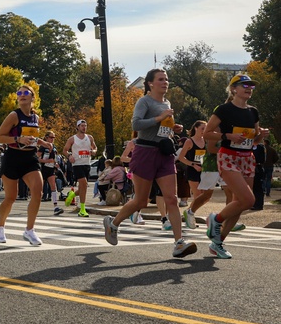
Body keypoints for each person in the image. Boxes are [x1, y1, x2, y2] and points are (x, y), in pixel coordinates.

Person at [103, 69, 197, 258]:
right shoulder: (144, 101)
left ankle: (179, 243)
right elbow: (136, 125)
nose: (165, 82)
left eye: (167, 79)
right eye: (161, 79)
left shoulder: (167, 103)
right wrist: (159, 118)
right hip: (145, 152)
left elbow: (162, 128)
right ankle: (113, 224)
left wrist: (173, 127)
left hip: (164, 154)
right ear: (150, 83)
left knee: (171, 198)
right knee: (141, 200)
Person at [202, 74, 270, 259]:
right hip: (228, 156)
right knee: (248, 200)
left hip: (247, 158)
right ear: (233, 89)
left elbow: (254, 139)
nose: (248, 88)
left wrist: (261, 135)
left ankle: (218, 243)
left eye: (251, 86)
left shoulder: (253, 111)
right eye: (244, 85)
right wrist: (227, 136)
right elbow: (207, 134)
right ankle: (215, 219)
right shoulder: (223, 109)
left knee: (239, 204)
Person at [0, 85, 46, 245]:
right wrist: (17, 139)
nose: (22, 95)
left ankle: (29, 230)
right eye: (19, 93)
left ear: (32, 97)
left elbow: (31, 137)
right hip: (13, 157)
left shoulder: (35, 118)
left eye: (26, 93)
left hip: (30, 157)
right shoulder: (14, 116)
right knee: (11, 197)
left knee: (38, 192)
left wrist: (42, 142)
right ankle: (0, 227)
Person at [178, 120, 210, 229]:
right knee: (198, 195)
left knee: (206, 197)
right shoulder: (189, 141)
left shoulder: (206, 140)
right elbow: (181, 157)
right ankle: (190, 216)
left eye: (205, 129)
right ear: (196, 128)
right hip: (192, 170)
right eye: (202, 129)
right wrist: (193, 165)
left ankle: (188, 212)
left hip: (204, 170)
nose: (204, 131)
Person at [62, 119, 96, 217]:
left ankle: (72, 194)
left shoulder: (89, 137)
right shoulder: (72, 139)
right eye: (82, 126)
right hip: (77, 164)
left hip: (87, 163)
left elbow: (95, 148)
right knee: (84, 184)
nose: (84, 127)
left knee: (82, 187)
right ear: (77, 127)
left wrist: (93, 151)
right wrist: (69, 156)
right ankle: (82, 209)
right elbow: (65, 150)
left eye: (85, 126)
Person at [37, 131, 64, 215]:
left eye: (54, 137)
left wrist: (55, 163)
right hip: (43, 169)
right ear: (46, 137)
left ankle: (56, 207)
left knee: (53, 187)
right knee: (39, 190)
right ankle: (34, 205)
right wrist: (46, 161)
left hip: (51, 169)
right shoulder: (42, 147)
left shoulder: (54, 147)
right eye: (51, 137)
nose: (53, 139)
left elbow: (54, 158)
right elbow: (36, 158)